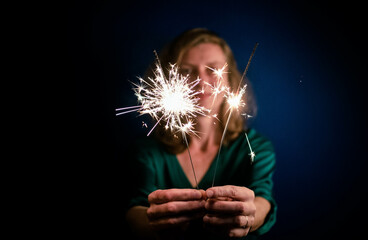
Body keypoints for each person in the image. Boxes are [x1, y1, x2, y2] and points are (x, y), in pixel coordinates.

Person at [124, 28, 276, 239]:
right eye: (186, 71)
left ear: (230, 79)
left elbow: (262, 200)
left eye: (213, 70)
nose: (201, 82)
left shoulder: (256, 148)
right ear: (169, 80)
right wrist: (153, 222)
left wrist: (250, 216)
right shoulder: (148, 151)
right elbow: (134, 209)